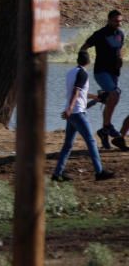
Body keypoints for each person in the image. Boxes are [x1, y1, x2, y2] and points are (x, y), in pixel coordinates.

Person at [53, 51, 116, 182]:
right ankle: (99, 172)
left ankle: (57, 173)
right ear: (89, 61)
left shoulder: (71, 72)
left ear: (78, 60)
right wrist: (70, 108)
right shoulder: (83, 73)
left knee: (68, 145)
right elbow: (76, 92)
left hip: (72, 113)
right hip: (77, 113)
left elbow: (80, 93)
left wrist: (96, 97)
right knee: (91, 141)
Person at [80, 10, 128, 150]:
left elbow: (118, 50)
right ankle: (107, 127)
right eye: (115, 21)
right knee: (114, 94)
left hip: (114, 72)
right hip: (101, 72)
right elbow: (84, 47)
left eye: (120, 21)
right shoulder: (100, 34)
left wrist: (120, 59)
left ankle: (103, 131)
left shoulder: (120, 34)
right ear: (109, 20)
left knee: (113, 98)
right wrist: (82, 65)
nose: (118, 23)